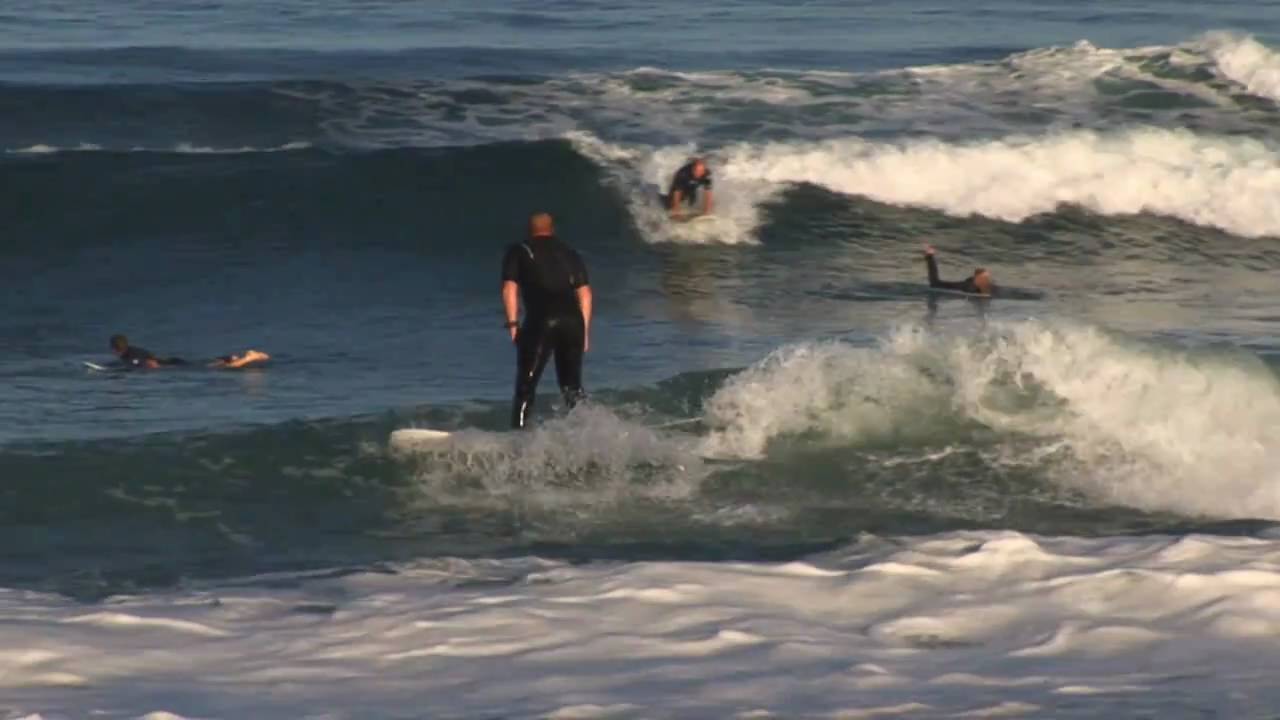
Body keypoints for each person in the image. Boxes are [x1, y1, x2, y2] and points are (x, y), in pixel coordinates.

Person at [501, 212, 592, 429]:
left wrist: (513, 324)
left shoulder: (519, 250)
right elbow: (585, 293)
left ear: (530, 230)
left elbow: (509, 288)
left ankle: (518, 437)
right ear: (552, 230)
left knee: (526, 386)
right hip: (573, 322)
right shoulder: (570, 252)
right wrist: (585, 333)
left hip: (542, 320)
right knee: (572, 388)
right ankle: (586, 432)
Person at [109, 334, 270, 370]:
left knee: (216, 368)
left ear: (115, 349)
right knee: (206, 363)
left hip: (174, 365)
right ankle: (229, 357)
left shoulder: (131, 356)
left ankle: (248, 358)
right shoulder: (133, 350)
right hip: (174, 361)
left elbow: (150, 363)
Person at [923, 244, 994, 296]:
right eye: (984, 279)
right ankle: (930, 256)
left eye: (987, 279)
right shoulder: (967, 286)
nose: (986, 281)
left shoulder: (989, 286)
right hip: (964, 286)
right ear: (976, 279)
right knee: (935, 284)